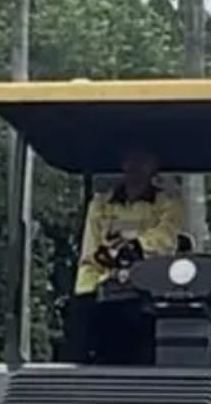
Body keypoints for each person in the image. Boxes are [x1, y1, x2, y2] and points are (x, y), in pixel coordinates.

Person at [64, 149, 186, 364]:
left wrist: (136, 246)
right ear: (122, 164)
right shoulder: (101, 203)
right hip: (100, 284)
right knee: (81, 321)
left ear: (154, 167)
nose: (136, 167)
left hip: (148, 289)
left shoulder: (168, 204)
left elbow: (166, 237)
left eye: (144, 161)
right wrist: (108, 260)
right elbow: (91, 247)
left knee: (142, 335)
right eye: (130, 160)